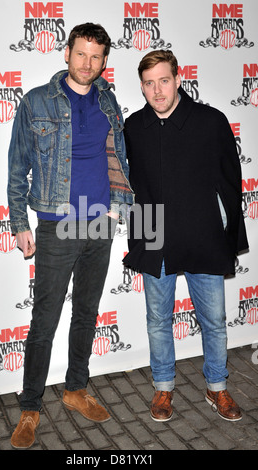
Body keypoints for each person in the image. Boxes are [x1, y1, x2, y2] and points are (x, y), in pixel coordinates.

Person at [7, 22, 133, 449]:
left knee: (86, 312)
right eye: (81, 53)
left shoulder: (109, 101)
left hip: (101, 223)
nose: (88, 63)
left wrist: (123, 210)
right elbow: (16, 167)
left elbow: (118, 158)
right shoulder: (37, 101)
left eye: (97, 56)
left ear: (103, 61)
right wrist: (20, 223)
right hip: (57, 224)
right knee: (44, 320)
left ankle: (76, 389)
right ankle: (29, 407)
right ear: (66, 53)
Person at [123, 49, 248, 423]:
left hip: (201, 234)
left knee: (213, 319)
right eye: (149, 83)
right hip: (154, 233)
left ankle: (217, 388)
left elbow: (230, 182)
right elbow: (130, 186)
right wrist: (138, 238)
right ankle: (163, 388)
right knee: (158, 319)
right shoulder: (133, 127)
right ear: (142, 87)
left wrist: (226, 235)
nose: (157, 90)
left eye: (164, 80)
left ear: (178, 79)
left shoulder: (211, 121)